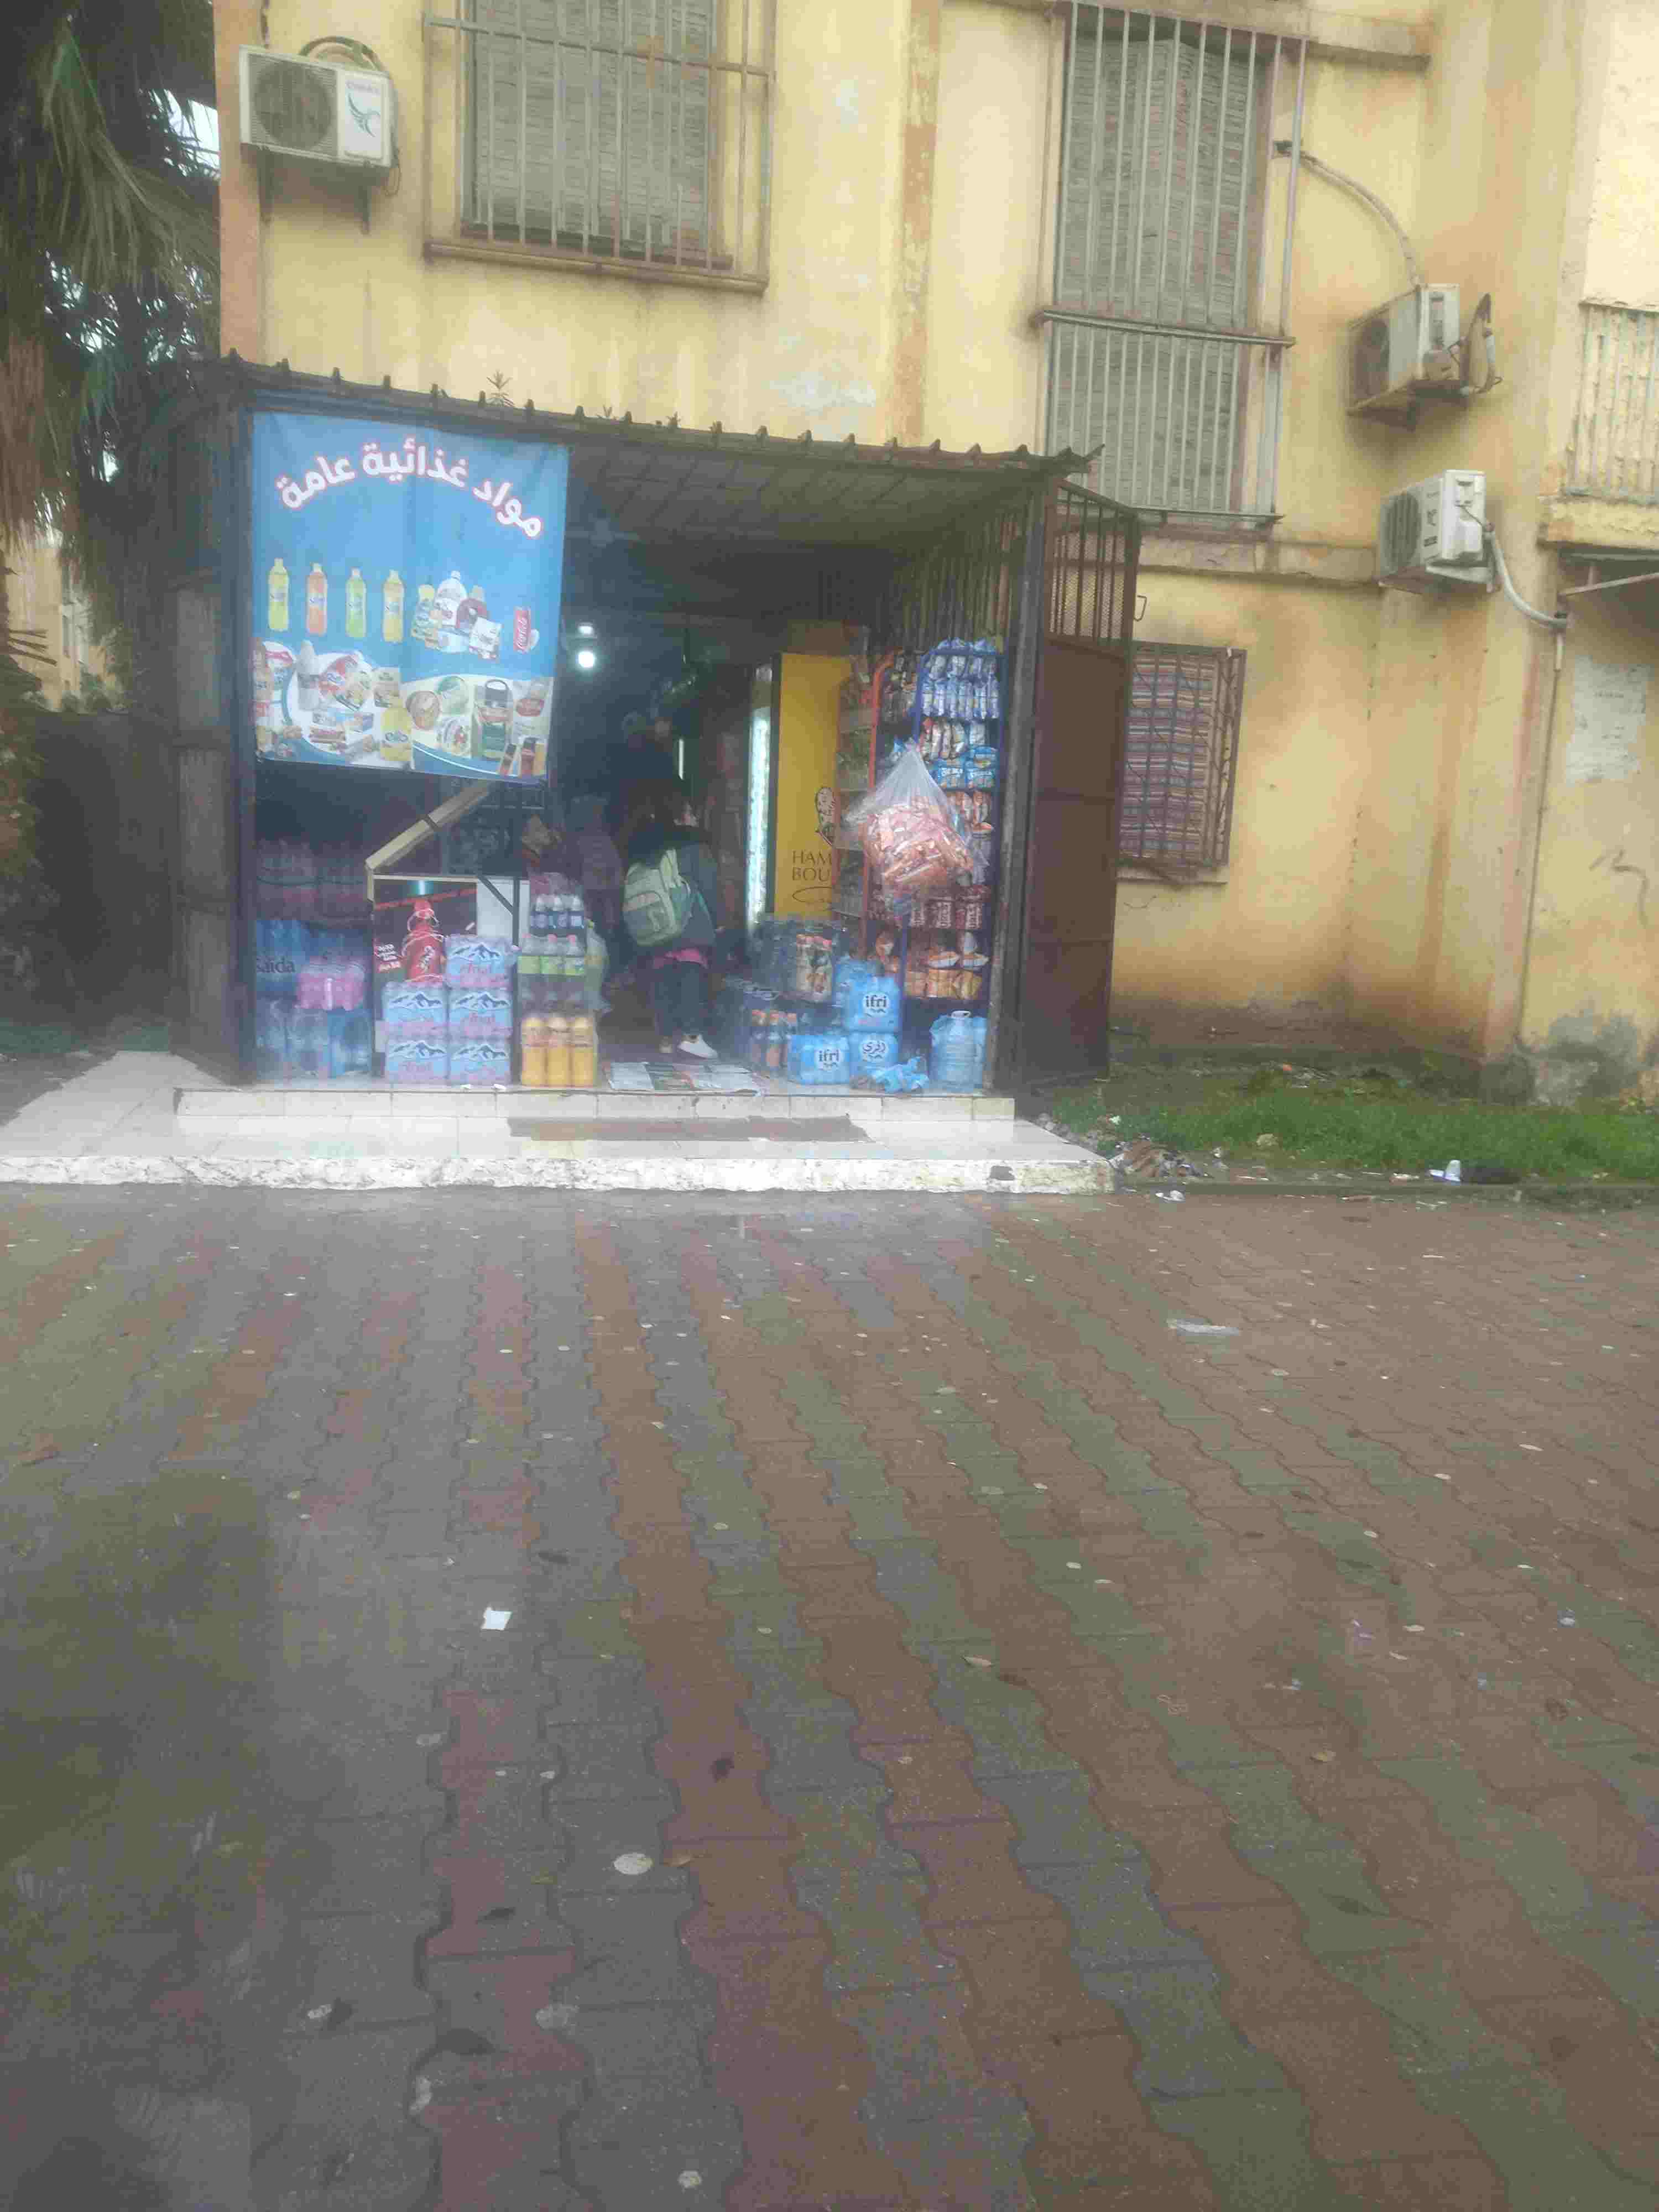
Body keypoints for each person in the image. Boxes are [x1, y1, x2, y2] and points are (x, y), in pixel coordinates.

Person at [624, 796, 718, 1060]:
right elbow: (709, 885)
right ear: (679, 819)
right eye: (690, 814)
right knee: (691, 979)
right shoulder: (693, 846)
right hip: (686, 924)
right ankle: (692, 1037)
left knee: (663, 982)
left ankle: (665, 1039)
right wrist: (719, 920)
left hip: (656, 925)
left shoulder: (648, 845)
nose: (695, 819)